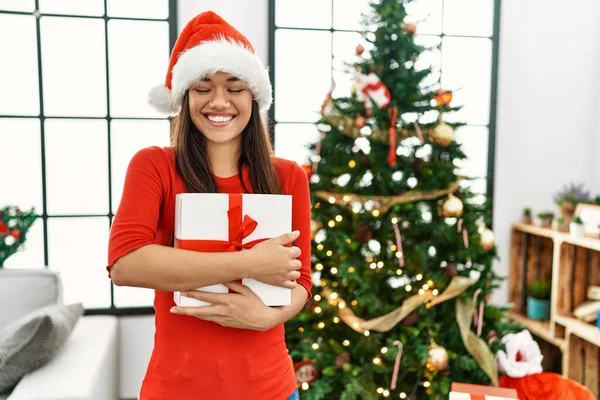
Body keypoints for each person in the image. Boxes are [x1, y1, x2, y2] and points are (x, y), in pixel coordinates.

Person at [107, 11, 311, 400]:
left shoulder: (287, 176)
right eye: (203, 87)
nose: (219, 101)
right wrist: (248, 263)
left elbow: (300, 281)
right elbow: (125, 264)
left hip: (272, 389)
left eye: (235, 87)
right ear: (184, 96)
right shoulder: (154, 165)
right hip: (178, 389)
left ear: (254, 95)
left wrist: (269, 316)